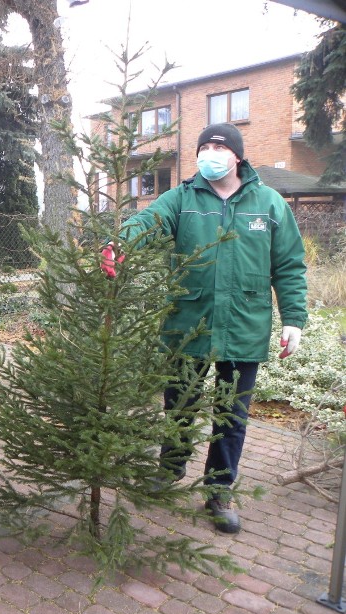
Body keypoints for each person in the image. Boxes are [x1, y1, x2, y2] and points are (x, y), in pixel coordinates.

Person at [101, 122, 308, 533]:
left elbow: (289, 266)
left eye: (218, 146)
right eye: (204, 147)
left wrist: (294, 320)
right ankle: (170, 469)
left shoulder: (268, 203)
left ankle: (219, 490)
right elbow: (147, 222)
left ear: (237, 156)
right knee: (179, 403)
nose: (209, 153)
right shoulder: (182, 199)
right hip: (188, 321)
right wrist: (120, 243)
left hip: (244, 325)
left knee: (232, 414)